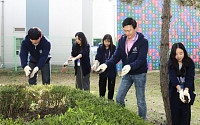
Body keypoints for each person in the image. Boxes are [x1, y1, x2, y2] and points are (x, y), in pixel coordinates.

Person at [96, 17, 148, 120]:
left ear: (135, 28)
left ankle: (141, 121)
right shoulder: (122, 40)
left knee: (140, 101)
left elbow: (141, 59)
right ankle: (124, 118)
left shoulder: (143, 41)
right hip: (126, 74)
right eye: (125, 31)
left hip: (139, 74)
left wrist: (130, 66)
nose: (127, 33)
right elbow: (116, 57)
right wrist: (106, 64)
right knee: (119, 98)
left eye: (129, 30)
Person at [168, 42, 196, 125]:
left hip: (187, 94)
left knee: (185, 117)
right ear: (173, 54)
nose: (179, 56)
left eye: (181, 53)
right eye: (176, 54)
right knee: (175, 116)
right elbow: (172, 78)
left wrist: (186, 91)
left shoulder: (189, 62)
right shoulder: (171, 63)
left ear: (184, 52)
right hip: (175, 93)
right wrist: (180, 90)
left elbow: (190, 77)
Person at [92, 34, 116, 101]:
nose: (107, 43)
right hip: (102, 69)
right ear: (103, 41)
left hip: (111, 69)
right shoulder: (100, 48)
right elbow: (98, 57)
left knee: (111, 86)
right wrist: (95, 64)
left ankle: (110, 99)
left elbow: (115, 58)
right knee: (102, 85)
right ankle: (102, 99)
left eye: (108, 41)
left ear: (111, 41)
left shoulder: (114, 48)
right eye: (105, 41)